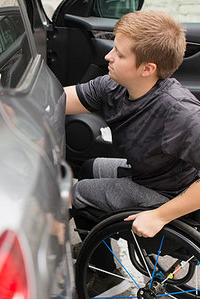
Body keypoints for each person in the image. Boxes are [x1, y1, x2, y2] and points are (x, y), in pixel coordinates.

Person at [65, 10, 200, 297]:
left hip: (172, 196)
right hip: (148, 174)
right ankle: (98, 243)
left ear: (147, 68)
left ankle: (108, 278)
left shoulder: (179, 114)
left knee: (79, 193)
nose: (108, 57)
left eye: (120, 54)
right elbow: (61, 100)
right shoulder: (113, 86)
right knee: (89, 167)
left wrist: (160, 216)